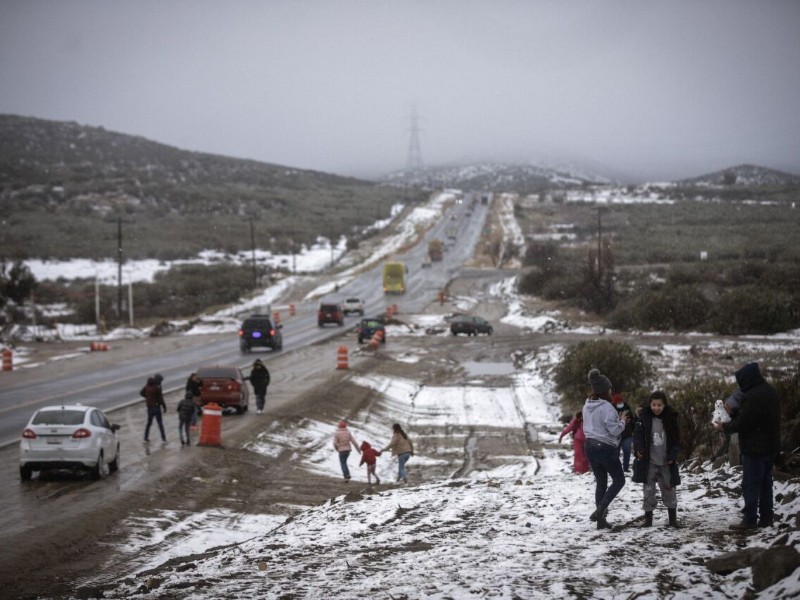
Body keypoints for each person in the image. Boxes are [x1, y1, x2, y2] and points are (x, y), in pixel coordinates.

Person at [713, 362, 781, 530]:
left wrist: (724, 427)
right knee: (766, 482)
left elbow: (744, 423)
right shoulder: (769, 391)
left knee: (750, 483)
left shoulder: (752, 396)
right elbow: (754, 417)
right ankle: (766, 518)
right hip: (770, 445)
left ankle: (750, 520)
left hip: (754, 448)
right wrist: (736, 414)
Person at [583, 368, 628, 530]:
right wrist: (622, 421)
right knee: (619, 480)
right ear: (605, 391)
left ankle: (601, 522)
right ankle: (600, 510)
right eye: (609, 389)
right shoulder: (607, 408)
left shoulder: (587, 405)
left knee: (601, 483)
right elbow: (614, 430)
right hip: (604, 447)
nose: (611, 391)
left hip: (589, 445)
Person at [632, 391, 681, 528]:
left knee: (669, 489)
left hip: (666, 462)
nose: (656, 408)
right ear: (650, 404)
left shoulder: (671, 418)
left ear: (665, 405)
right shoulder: (644, 418)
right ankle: (648, 520)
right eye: (654, 405)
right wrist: (638, 450)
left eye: (659, 405)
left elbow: (676, 440)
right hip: (649, 462)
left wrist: (673, 455)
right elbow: (638, 436)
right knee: (648, 491)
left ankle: (672, 520)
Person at [140, 376, 167, 443]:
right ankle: (163, 439)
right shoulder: (157, 387)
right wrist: (164, 406)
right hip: (157, 407)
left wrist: (148, 397)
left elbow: (141, 393)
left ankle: (146, 438)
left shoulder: (147, 386)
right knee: (160, 423)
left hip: (150, 408)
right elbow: (161, 398)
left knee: (149, 423)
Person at [613, 392, 634, 472]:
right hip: (616, 436)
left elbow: (632, 420)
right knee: (616, 453)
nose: (620, 404)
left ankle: (625, 468)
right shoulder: (611, 411)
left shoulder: (627, 409)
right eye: (618, 403)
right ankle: (616, 469)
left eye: (621, 402)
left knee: (627, 451)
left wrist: (633, 431)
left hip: (627, 435)